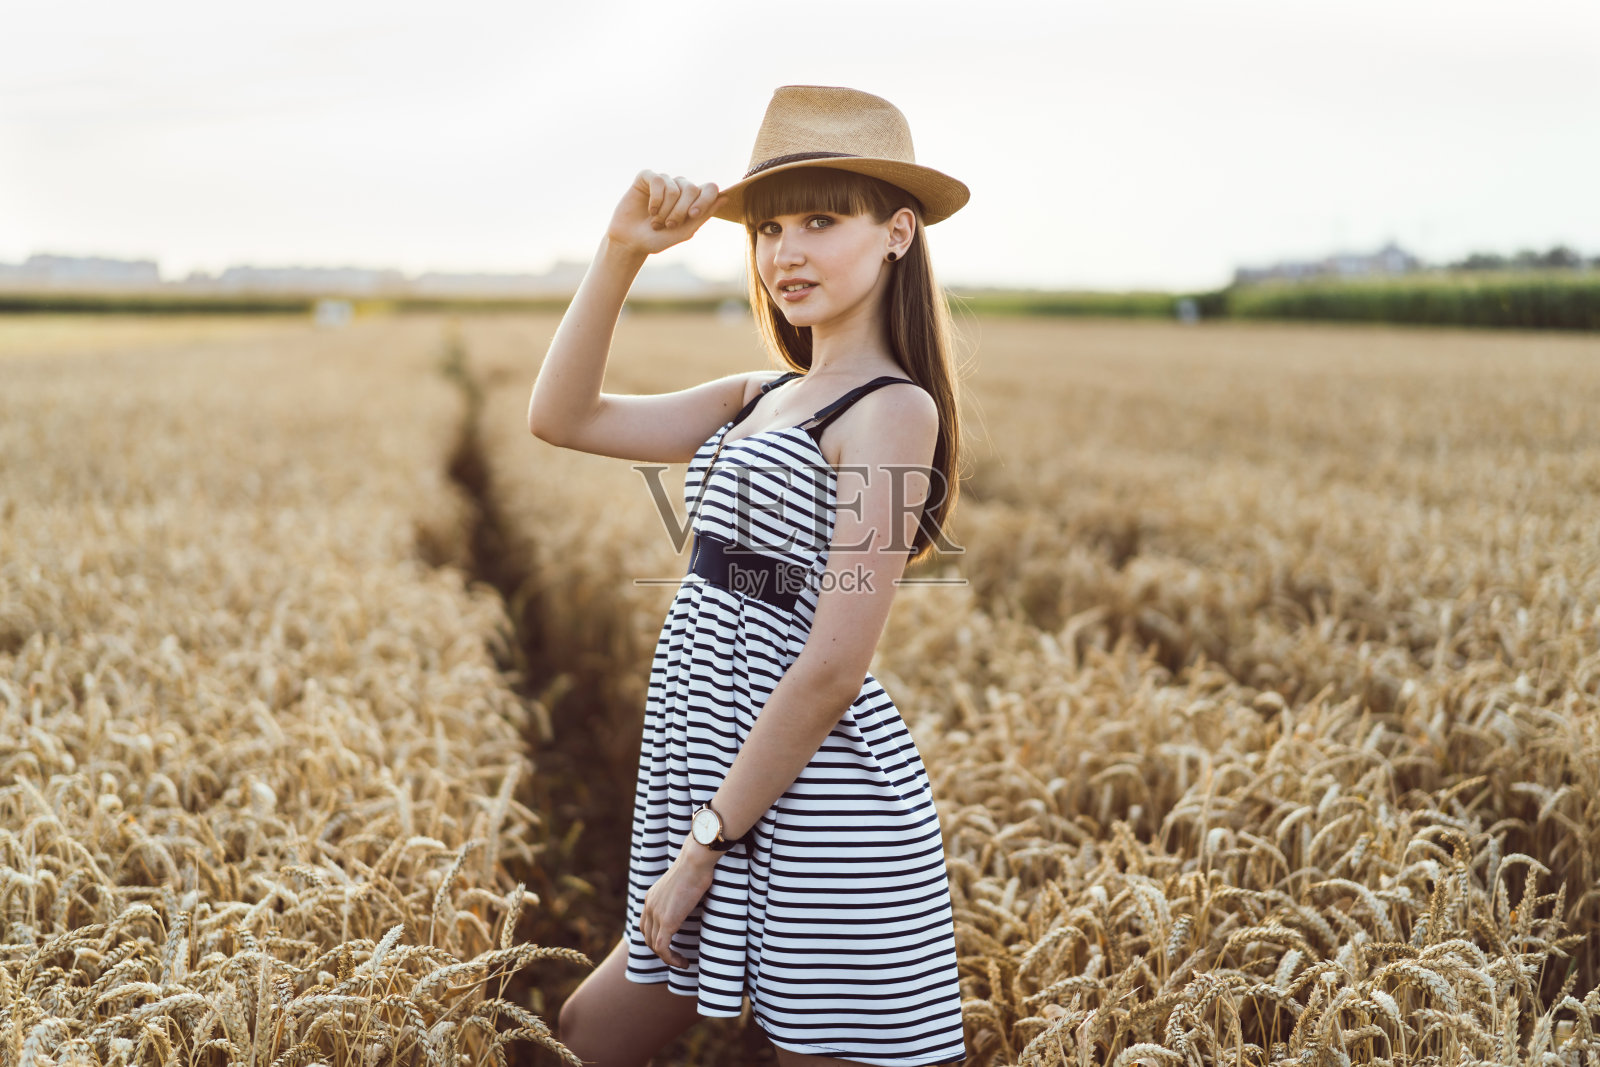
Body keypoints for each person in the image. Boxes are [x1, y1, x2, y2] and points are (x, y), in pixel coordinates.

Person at [527, 85, 969, 1067]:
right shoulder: (757, 394)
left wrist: (707, 842)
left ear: (897, 233)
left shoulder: (892, 411)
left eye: (821, 219)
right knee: (586, 1033)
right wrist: (619, 253)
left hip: (816, 811)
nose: (786, 254)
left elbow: (832, 666)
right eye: (769, 228)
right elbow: (562, 416)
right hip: (712, 778)